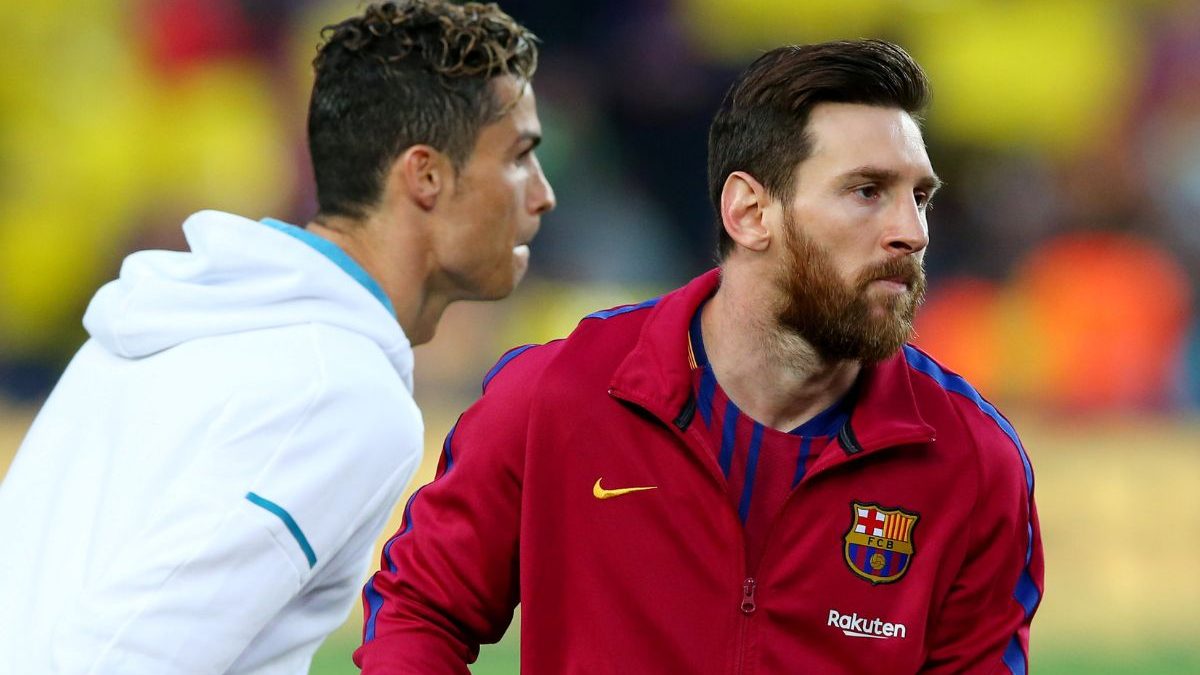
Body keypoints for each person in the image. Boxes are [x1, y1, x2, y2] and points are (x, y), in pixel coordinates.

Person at [357, 40, 1042, 674]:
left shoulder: (973, 462)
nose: (911, 232)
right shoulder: (557, 396)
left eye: (919, 197)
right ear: (749, 212)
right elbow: (420, 610)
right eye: (868, 192)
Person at [0, 1, 554, 672]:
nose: (543, 195)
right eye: (521, 157)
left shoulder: (174, 318)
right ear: (425, 176)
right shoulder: (341, 393)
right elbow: (122, 658)